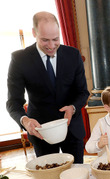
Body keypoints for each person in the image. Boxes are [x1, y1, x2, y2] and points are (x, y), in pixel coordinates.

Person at [6, 11, 89, 163]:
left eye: (56, 39)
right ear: (34, 33)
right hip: (40, 133)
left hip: (72, 131)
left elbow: (83, 92)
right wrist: (25, 121)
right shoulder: (19, 60)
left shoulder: (73, 55)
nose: (51, 46)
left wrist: (73, 107)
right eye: (45, 40)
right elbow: (13, 102)